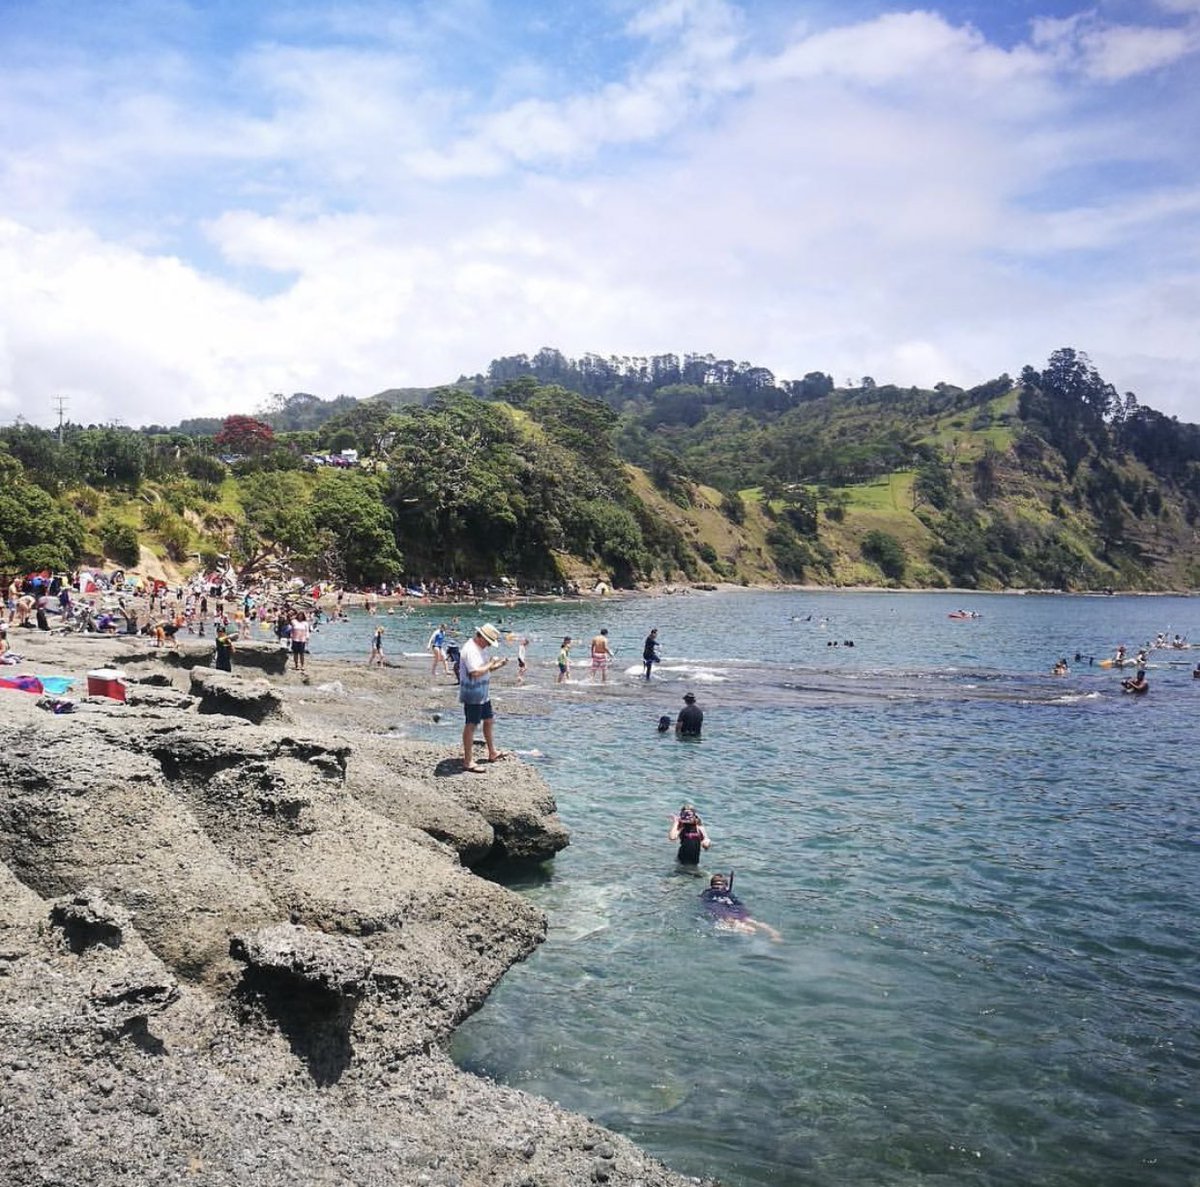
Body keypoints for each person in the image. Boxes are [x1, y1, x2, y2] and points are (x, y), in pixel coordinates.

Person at [459, 623, 510, 773]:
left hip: (482, 692)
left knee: (488, 720)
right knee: (471, 724)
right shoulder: (470, 650)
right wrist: (490, 663)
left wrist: (499, 664)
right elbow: (475, 672)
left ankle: (492, 752)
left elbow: (485, 669)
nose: (488, 645)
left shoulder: (480, 649)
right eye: (488, 641)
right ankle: (468, 761)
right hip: (472, 693)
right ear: (481, 637)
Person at [700, 873, 781, 941]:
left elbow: (705, 901)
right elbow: (738, 903)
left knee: (735, 920)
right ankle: (771, 932)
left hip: (724, 908)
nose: (718, 887)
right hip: (733, 907)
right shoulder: (728, 893)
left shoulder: (708, 892)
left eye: (719, 884)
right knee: (746, 920)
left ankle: (753, 931)